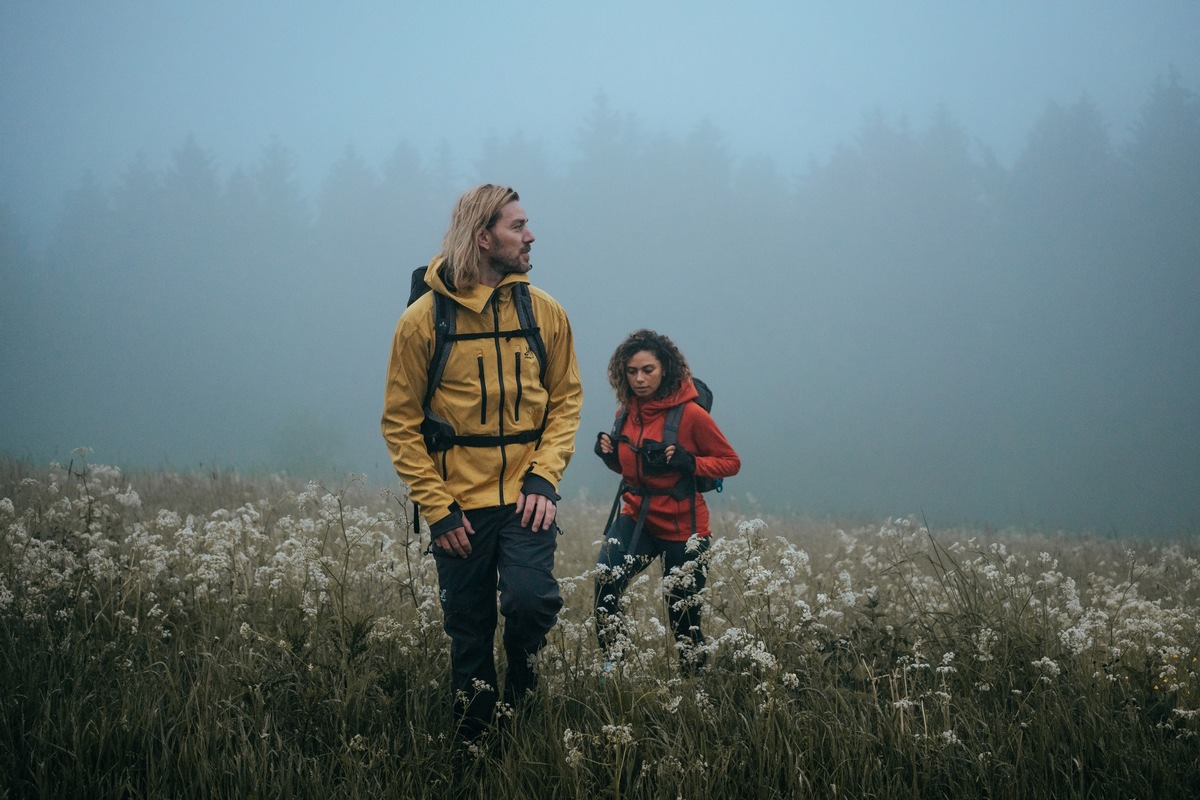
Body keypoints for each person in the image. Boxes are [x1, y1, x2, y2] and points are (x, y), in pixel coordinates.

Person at [382, 184, 583, 743]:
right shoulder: (423, 321)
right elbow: (400, 423)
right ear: (482, 237)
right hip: (459, 510)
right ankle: (474, 749)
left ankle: (522, 686)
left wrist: (545, 476)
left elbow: (566, 399)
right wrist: (438, 510)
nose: (531, 235)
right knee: (469, 634)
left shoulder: (545, 312)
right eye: (518, 226)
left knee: (529, 602)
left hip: (527, 500)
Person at [593, 329, 740, 673]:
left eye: (648, 370)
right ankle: (613, 671)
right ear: (622, 374)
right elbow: (630, 469)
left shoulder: (690, 415)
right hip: (636, 517)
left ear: (666, 369)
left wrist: (691, 462)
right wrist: (609, 456)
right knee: (605, 585)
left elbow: (731, 462)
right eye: (632, 371)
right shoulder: (624, 414)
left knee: (683, 617)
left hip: (684, 526)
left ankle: (695, 686)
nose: (640, 379)